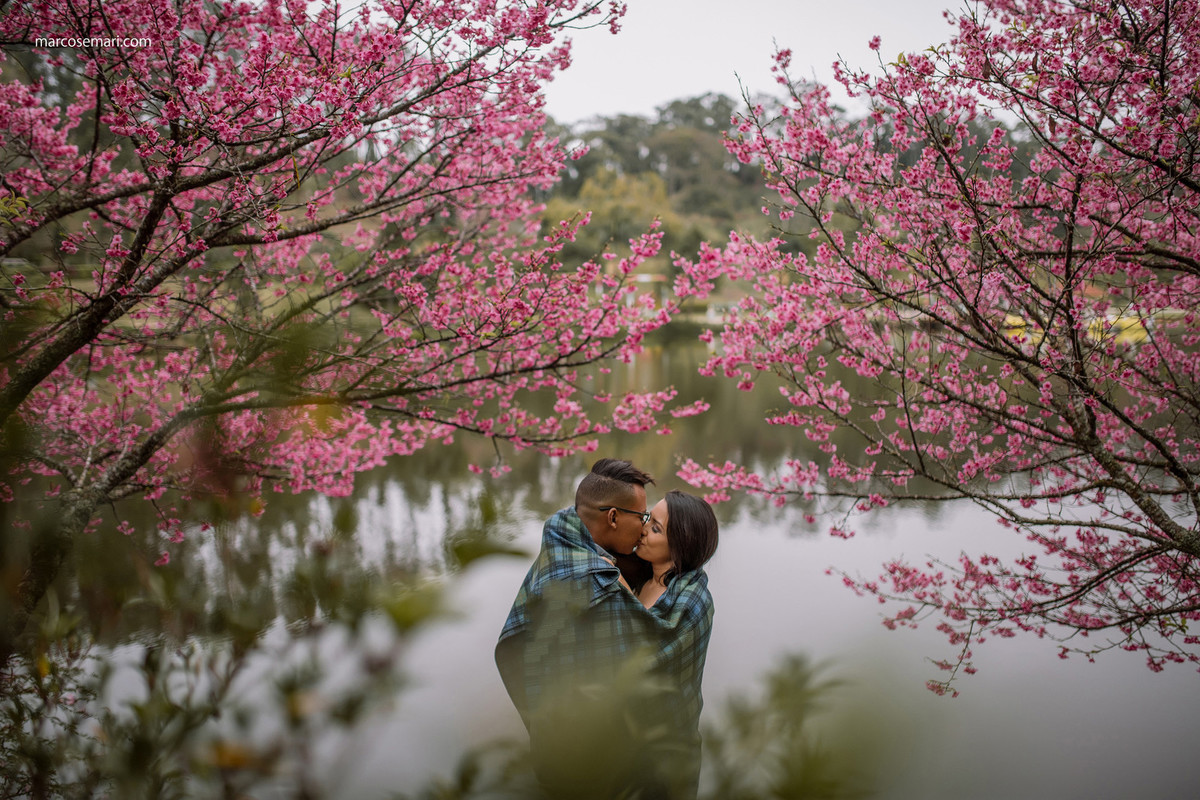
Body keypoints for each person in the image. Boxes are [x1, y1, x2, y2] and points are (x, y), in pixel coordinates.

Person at [495, 457, 661, 799]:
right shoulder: (595, 585)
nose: (645, 528)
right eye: (642, 517)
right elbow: (638, 674)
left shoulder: (560, 544)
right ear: (613, 517)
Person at [625, 490, 719, 800]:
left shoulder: (694, 601)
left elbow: (652, 658)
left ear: (679, 549)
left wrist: (622, 596)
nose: (643, 529)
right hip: (625, 738)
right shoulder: (638, 577)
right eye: (648, 519)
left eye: (655, 529)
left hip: (668, 747)